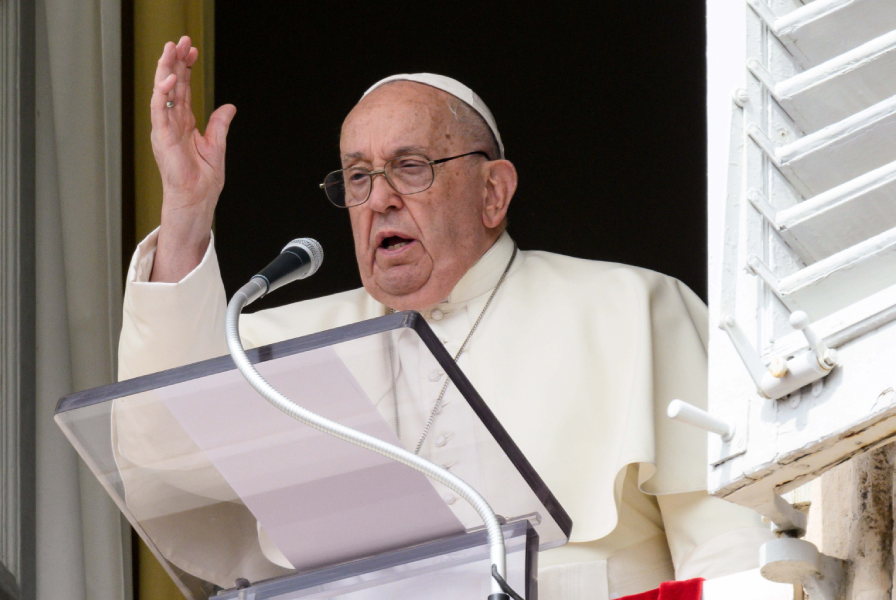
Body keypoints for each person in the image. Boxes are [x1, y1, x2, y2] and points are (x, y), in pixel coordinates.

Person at [114, 36, 789, 598]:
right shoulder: (275, 350)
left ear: (493, 191)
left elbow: (731, 534)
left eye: (410, 167)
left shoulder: (633, 309)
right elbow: (160, 452)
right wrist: (186, 214)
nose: (378, 199)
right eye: (356, 177)